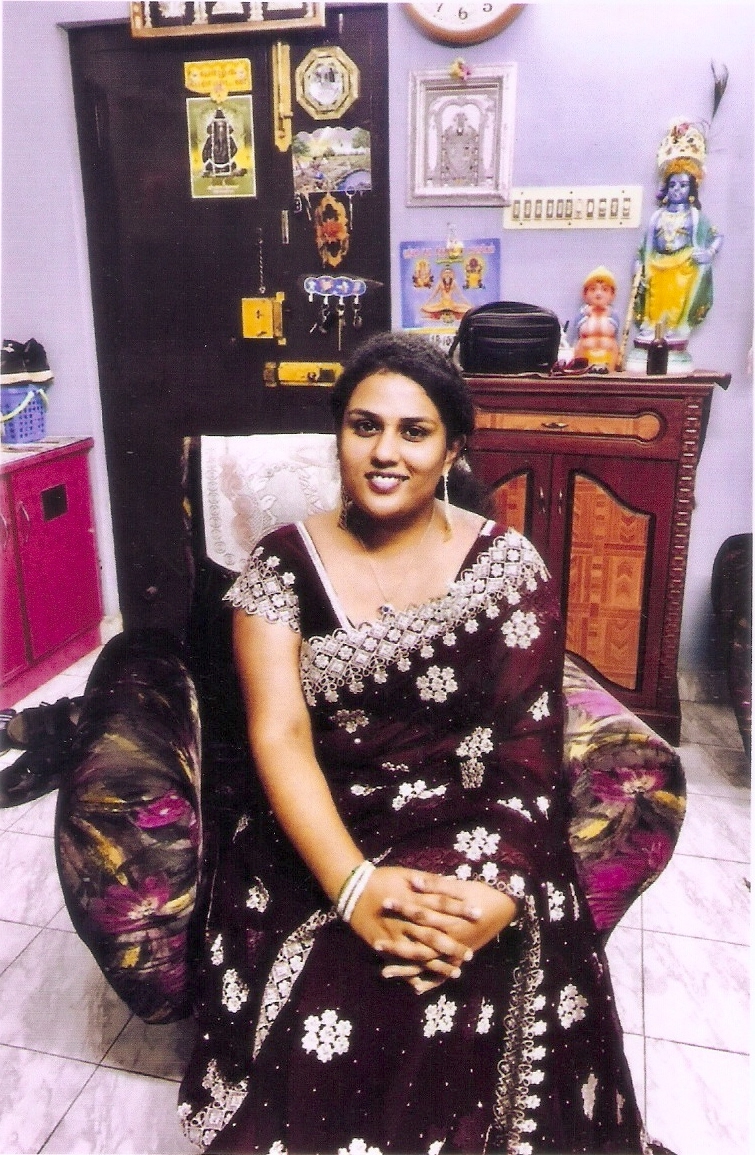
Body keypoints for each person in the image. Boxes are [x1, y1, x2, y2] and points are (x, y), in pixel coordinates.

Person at [178, 332, 666, 1154]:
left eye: (414, 431)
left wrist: (498, 890)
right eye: (364, 425)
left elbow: (526, 742)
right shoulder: (281, 566)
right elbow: (280, 733)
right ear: (338, 434)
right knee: (351, 985)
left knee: (489, 957)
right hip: (326, 825)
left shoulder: (506, 566)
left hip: (482, 816)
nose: (384, 452)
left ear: (452, 449)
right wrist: (353, 887)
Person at [633, 120, 722, 343]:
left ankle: (676, 327)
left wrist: (709, 252)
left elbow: (717, 236)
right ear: (666, 188)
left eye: (683, 185)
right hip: (656, 265)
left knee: (677, 300)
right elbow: (644, 247)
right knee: (655, 298)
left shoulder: (695, 217)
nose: (677, 190)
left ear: (691, 189)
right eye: (672, 185)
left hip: (683, 266)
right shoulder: (657, 217)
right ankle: (652, 327)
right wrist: (639, 265)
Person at [571, 266, 621, 370]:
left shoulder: (613, 315)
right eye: (593, 289)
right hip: (585, 360)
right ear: (584, 294)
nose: (598, 294)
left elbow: (613, 333)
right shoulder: (582, 314)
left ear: (612, 295)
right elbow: (578, 335)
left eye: (605, 289)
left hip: (608, 359)